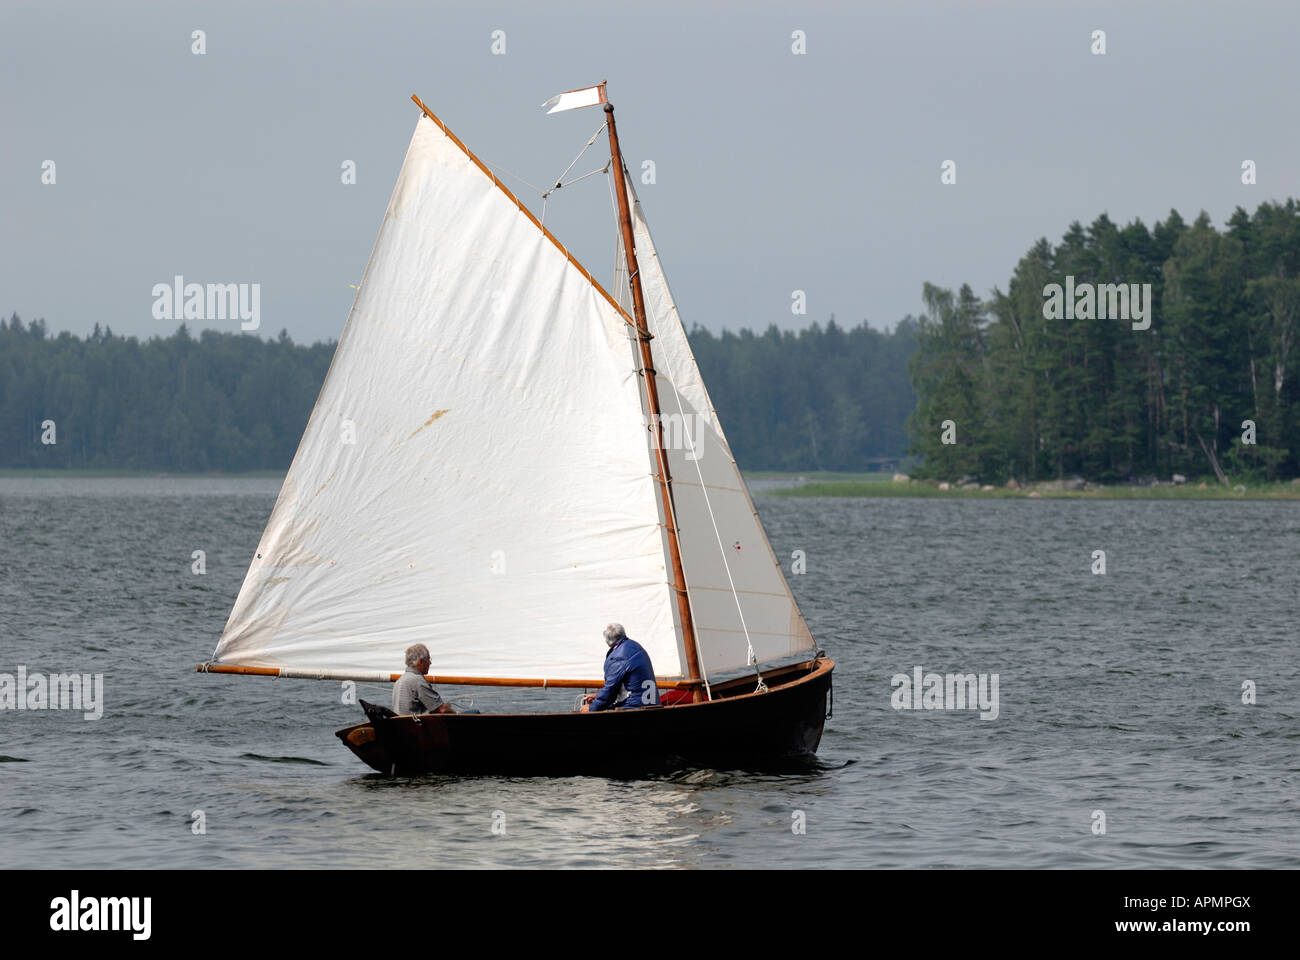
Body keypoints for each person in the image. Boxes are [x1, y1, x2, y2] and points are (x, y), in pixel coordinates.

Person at [580, 623, 660, 712]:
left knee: (596, 708)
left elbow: (610, 691)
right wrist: (598, 695)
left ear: (607, 641)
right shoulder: (636, 646)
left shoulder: (617, 657)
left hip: (634, 707)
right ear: (623, 634)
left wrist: (591, 708)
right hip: (653, 705)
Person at [392, 643, 454, 715]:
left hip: (402, 724)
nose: (430, 663)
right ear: (421, 661)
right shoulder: (417, 681)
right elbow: (442, 710)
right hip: (417, 725)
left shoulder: (400, 681)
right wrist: (456, 714)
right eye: (428, 659)